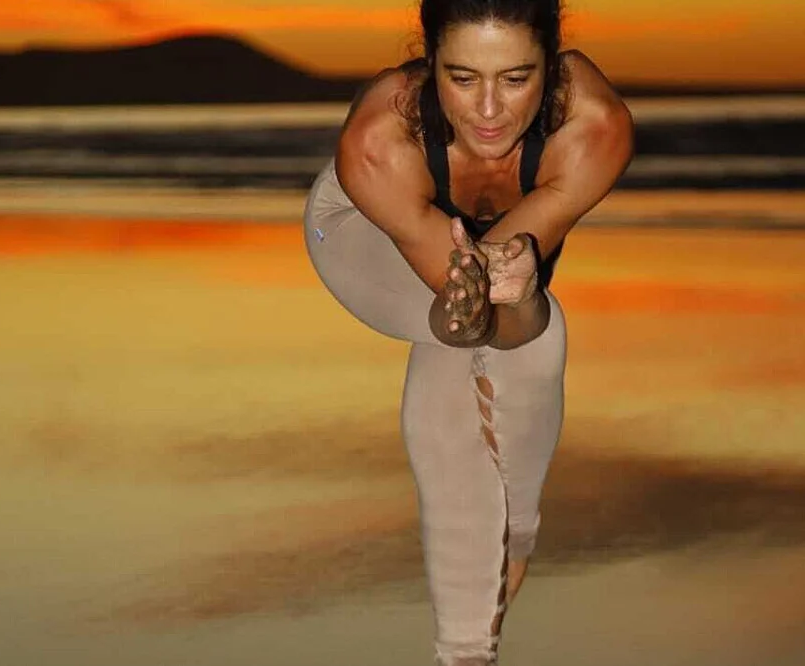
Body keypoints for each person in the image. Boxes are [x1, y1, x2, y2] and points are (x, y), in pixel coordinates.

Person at [303, 1, 632, 663]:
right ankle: (488, 594)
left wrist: (518, 294)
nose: (488, 111)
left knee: (522, 322)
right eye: (462, 78)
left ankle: (489, 593)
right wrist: (492, 299)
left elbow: (507, 318)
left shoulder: (593, 130)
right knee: (461, 338)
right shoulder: (379, 143)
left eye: (515, 79)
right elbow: (470, 316)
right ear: (430, 65)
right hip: (360, 239)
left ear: (550, 66)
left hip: (488, 271)